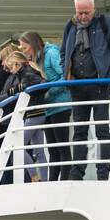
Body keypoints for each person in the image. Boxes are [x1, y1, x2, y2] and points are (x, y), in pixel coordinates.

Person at [61, 0, 110, 181]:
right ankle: (76, 173)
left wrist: (106, 78)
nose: (82, 16)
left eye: (86, 12)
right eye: (79, 13)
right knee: (79, 131)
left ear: (93, 9)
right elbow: (64, 51)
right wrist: (67, 74)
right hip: (77, 86)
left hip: (99, 85)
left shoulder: (106, 23)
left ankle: (103, 173)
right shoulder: (70, 25)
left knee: (101, 130)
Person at [21, 31, 72, 182]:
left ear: (33, 45)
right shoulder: (38, 60)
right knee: (52, 149)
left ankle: (64, 181)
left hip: (60, 105)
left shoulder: (51, 54)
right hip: (49, 107)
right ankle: (52, 181)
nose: (24, 51)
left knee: (62, 146)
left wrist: (49, 92)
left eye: (25, 48)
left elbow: (64, 76)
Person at [0, 50, 44, 184]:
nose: (10, 71)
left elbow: (37, 84)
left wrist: (18, 88)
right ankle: (44, 179)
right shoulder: (27, 73)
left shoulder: (27, 73)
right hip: (35, 112)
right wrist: (18, 88)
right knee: (39, 150)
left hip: (34, 112)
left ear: (17, 64)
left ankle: (34, 176)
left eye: (11, 67)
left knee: (17, 146)